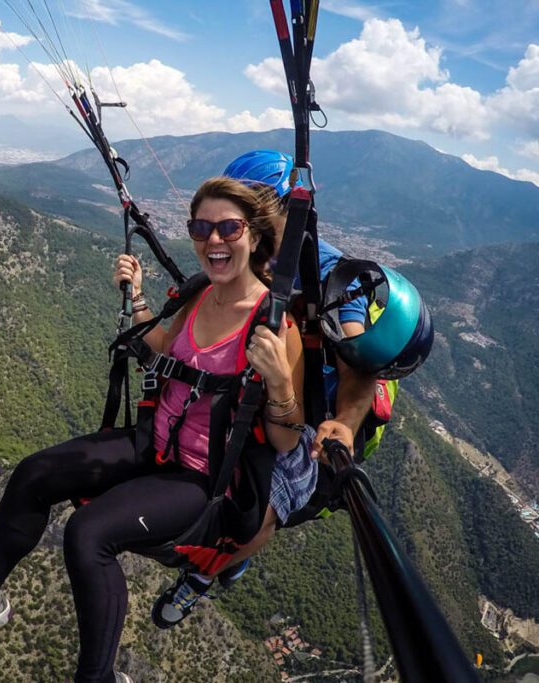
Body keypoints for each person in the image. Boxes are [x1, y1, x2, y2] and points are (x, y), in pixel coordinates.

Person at [0, 176, 306, 683]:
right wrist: (139, 297)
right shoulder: (197, 295)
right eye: (201, 227)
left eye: (227, 227)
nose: (213, 240)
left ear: (253, 236)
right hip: (153, 446)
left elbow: (287, 440)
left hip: (204, 481)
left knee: (88, 532)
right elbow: (164, 347)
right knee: (34, 473)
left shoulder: (275, 326)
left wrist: (278, 382)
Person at [150, 150, 380, 629]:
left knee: (262, 506)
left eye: (251, 209)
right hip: (248, 390)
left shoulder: (327, 274)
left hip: (307, 408)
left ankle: (206, 575)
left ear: (283, 208)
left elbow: (358, 366)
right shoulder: (250, 256)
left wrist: (345, 422)